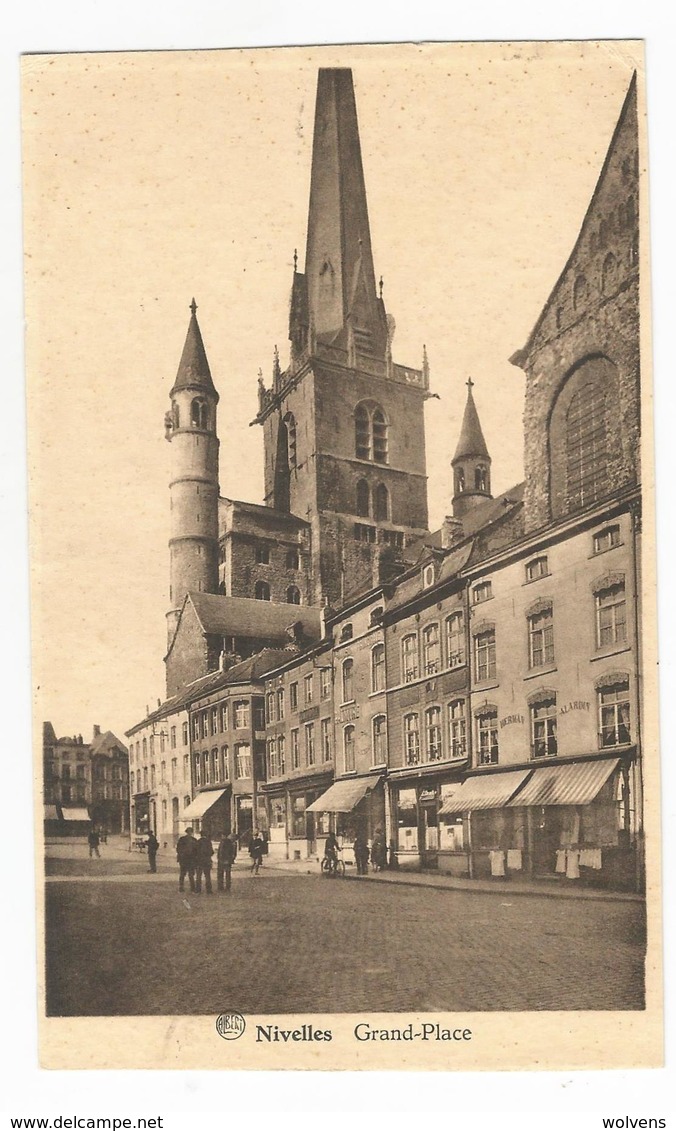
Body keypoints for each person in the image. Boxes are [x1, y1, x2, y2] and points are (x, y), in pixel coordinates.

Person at [176, 826, 197, 892]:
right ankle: (191, 888)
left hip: (185, 859)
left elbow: (178, 849)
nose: (190, 833)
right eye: (189, 832)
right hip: (189, 860)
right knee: (189, 874)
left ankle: (183, 887)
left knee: (184, 874)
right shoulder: (193, 840)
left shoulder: (182, 839)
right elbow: (196, 851)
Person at [195, 829, 214, 893]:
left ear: (201, 835)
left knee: (198, 876)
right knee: (208, 876)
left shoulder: (198, 841)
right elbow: (211, 852)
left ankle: (198, 889)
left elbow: (195, 852)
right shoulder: (208, 842)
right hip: (207, 861)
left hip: (199, 861)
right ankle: (209, 890)